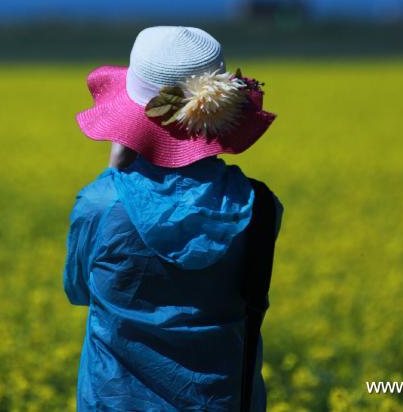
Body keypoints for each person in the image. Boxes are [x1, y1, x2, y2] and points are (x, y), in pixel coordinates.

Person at [63, 25, 283, 411]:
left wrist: (116, 169)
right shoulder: (260, 207)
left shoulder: (100, 204)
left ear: (130, 120)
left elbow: (79, 290)